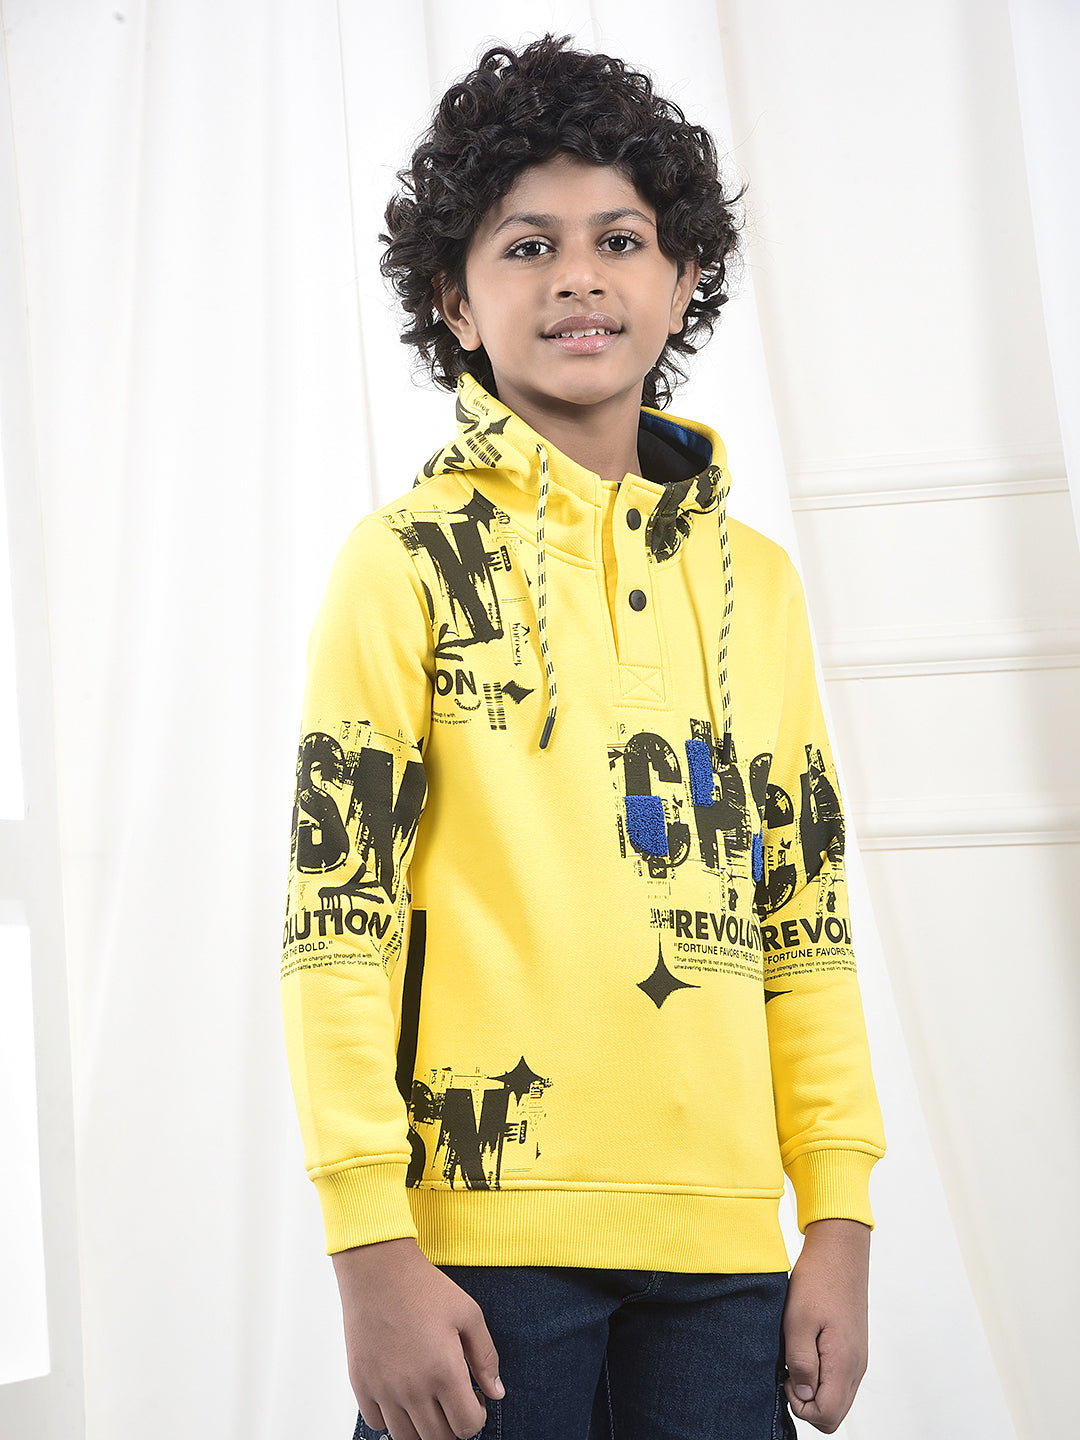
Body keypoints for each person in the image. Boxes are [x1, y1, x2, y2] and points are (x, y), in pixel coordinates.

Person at [282, 34, 885, 1440]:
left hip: (725, 1253)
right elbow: (338, 916)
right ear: (454, 299)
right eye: (526, 245)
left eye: (621, 239)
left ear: (684, 278)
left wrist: (837, 1215)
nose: (578, 277)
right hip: (482, 1250)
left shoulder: (757, 587)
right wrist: (371, 1250)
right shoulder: (403, 562)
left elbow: (804, 916)